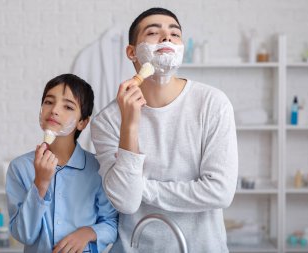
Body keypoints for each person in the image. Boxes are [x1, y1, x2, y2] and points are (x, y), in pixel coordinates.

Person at [91, 7, 238, 253]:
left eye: (174, 34)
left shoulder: (213, 103)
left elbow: (220, 192)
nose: (167, 38)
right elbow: (127, 201)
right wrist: (129, 124)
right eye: (153, 32)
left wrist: (142, 188)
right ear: (132, 52)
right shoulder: (107, 121)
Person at [6, 74, 118, 253]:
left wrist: (89, 232)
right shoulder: (20, 167)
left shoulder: (98, 168)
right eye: (49, 102)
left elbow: (111, 224)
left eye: (67, 106)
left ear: (82, 122)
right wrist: (40, 184)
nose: (54, 110)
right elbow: (23, 234)